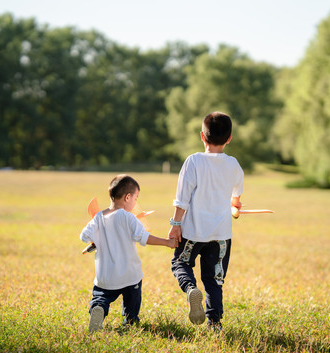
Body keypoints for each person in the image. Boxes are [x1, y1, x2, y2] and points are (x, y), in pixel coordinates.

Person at [168, 111, 244, 329]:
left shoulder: (193, 161)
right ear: (229, 138)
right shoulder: (234, 165)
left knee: (180, 262)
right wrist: (235, 207)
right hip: (221, 235)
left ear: (202, 136)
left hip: (193, 232)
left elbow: (182, 201)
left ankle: (191, 288)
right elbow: (235, 200)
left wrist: (175, 226)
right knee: (214, 280)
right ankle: (215, 323)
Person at [80, 174, 177, 332]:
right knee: (132, 299)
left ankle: (99, 308)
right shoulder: (129, 218)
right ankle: (130, 320)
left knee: (101, 296)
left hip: (105, 276)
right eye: (136, 198)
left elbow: (84, 236)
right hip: (129, 275)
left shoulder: (98, 217)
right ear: (127, 197)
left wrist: (96, 240)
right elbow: (143, 237)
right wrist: (167, 242)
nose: (135, 202)